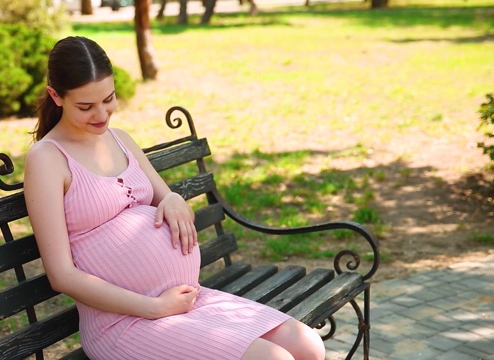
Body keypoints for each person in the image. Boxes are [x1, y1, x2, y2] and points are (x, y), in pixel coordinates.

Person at [23, 36, 326, 360]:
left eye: (108, 99)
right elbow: (62, 275)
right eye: (86, 106)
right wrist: (153, 307)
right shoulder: (47, 159)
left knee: (309, 346)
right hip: (125, 324)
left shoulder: (120, 139)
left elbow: (166, 196)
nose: (101, 114)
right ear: (56, 96)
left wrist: (172, 200)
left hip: (184, 301)